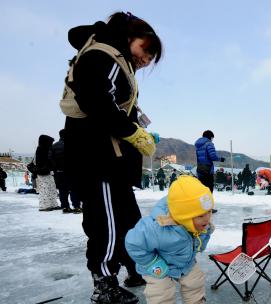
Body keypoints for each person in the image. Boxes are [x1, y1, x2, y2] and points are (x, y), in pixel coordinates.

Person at [62, 11, 162, 303]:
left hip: (111, 157)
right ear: (130, 35)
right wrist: (132, 131)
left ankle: (134, 266)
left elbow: (111, 103)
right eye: (147, 50)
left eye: (151, 57)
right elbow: (96, 100)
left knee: (128, 218)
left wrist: (134, 130)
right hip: (98, 157)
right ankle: (104, 282)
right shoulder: (104, 54)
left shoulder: (112, 57)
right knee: (105, 220)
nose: (147, 60)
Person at [125, 176, 214, 304]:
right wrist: (152, 262)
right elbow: (133, 243)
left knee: (195, 281)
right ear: (183, 215)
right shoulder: (156, 227)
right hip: (158, 266)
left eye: (209, 211)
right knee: (161, 292)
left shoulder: (200, 225)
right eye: (200, 215)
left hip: (184, 262)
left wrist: (204, 235)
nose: (207, 218)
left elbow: (199, 244)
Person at [49, 129, 82, 213]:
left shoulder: (54, 146)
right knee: (74, 189)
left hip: (59, 172)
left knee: (62, 190)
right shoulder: (74, 144)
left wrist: (55, 169)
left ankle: (65, 207)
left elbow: (50, 159)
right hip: (72, 171)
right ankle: (76, 206)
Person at [35, 135, 60, 211]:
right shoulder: (42, 149)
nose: (51, 144)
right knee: (45, 189)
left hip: (48, 172)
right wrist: (51, 164)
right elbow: (45, 161)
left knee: (51, 189)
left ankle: (53, 204)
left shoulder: (45, 148)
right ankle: (44, 206)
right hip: (43, 172)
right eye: (50, 142)